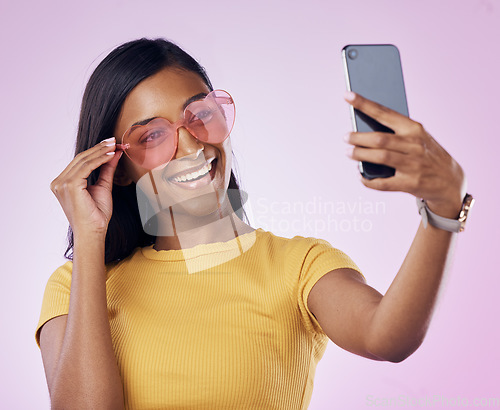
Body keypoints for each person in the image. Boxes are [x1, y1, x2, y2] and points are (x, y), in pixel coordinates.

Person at [35, 38, 472, 409]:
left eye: (200, 116)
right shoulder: (75, 286)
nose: (190, 146)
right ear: (118, 164)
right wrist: (91, 239)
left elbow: (386, 338)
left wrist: (443, 209)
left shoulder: (297, 264)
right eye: (153, 135)